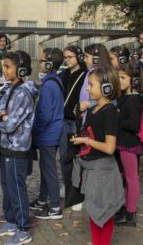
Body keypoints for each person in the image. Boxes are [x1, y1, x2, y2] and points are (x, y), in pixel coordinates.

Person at [70, 66, 124, 245]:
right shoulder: (94, 109)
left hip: (104, 171)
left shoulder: (109, 113)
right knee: (94, 213)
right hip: (93, 170)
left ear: (106, 87)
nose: (87, 88)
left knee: (103, 214)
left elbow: (109, 148)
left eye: (91, 84)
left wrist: (85, 141)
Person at [0, 50, 38, 245]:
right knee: (6, 186)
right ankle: (10, 221)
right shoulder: (9, 89)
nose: (4, 69)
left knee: (17, 188)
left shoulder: (24, 93)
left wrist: (3, 118)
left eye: (8, 66)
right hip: (5, 147)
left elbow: (9, 125)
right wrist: (2, 117)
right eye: (4, 66)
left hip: (17, 149)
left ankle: (23, 228)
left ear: (22, 69)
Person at [74, 43, 112, 212]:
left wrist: (88, 104)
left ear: (97, 58)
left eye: (87, 56)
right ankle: (85, 194)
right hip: (85, 121)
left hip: (96, 127)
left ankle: (96, 198)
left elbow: (110, 99)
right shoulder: (88, 74)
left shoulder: (105, 76)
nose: (84, 59)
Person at [30, 48, 64, 220]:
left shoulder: (49, 84)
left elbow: (44, 114)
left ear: (50, 64)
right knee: (45, 168)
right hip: (51, 133)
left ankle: (55, 206)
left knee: (49, 170)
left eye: (43, 61)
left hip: (48, 135)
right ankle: (43, 199)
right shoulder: (54, 81)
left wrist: (34, 129)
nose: (40, 63)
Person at [114, 61, 143, 227]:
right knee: (127, 179)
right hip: (123, 143)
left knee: (131, 178)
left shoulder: (133, 100)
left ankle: (130, 213)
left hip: (129, 144)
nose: (119, 80)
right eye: (119, 77)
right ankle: (126, 208)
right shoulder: (125, 97)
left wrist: (117, 116)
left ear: (133, 80)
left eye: (123, 78)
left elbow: (134, 125)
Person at [58, 45, 87, 196]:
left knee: (77, 155)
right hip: (63, 120)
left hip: (77, 121)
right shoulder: (63, 74)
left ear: (79, 57)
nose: (67, 60)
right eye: (65, 57)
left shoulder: (85, 75)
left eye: (70, 57)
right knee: (64, 155)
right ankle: (66, 183)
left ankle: (78, 187)